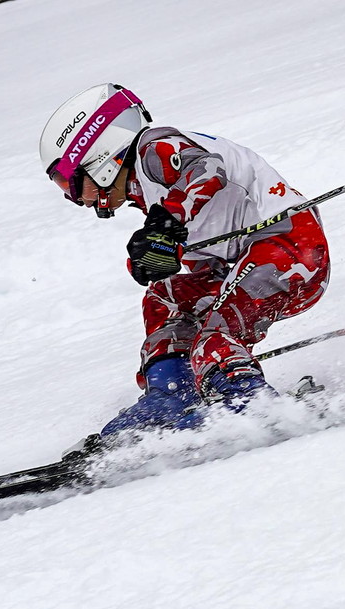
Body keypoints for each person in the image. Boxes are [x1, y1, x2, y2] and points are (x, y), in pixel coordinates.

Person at [40, 83, 330, 437]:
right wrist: (165, 252)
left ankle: (251, 406)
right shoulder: (147, 189)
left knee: (217, 334)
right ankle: (171, 397)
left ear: (99, 158)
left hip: (288, 248)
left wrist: (166, 225)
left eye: (69, 183)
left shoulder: (154, 148)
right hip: (244, 263)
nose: (78, 200)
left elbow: (207, 170)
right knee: (163, 298)